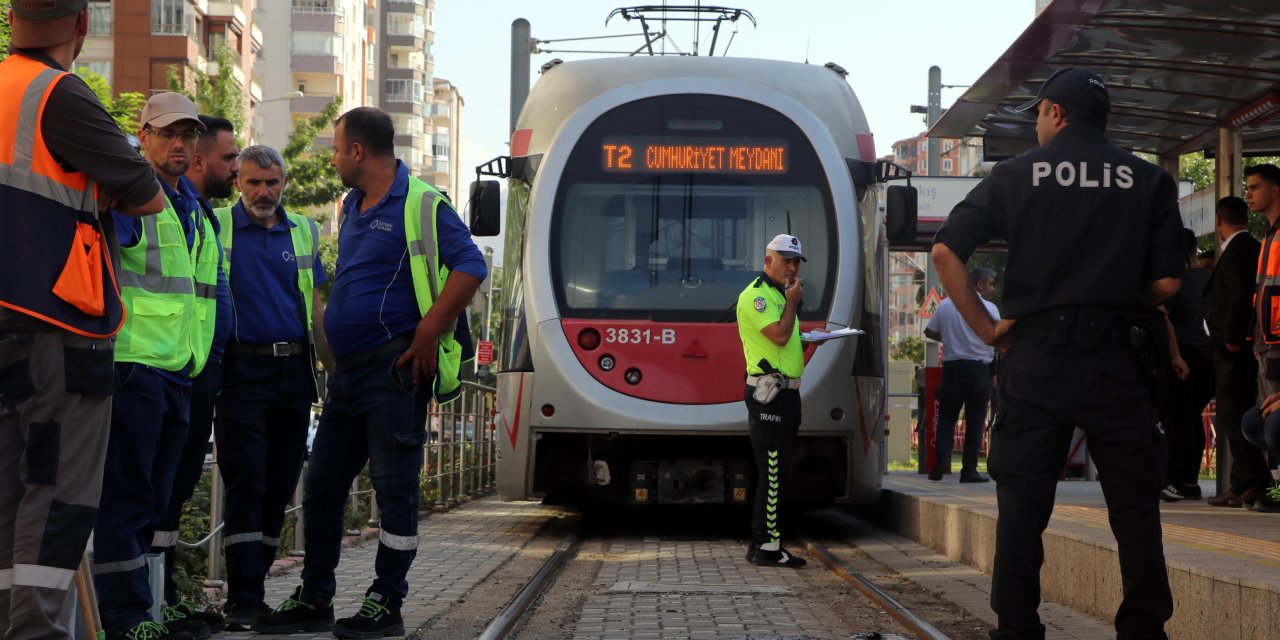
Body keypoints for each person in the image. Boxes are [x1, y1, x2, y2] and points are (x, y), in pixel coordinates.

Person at [931, 67, 1182, 640]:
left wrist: (987, 329)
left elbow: (946, 251)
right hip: (1118, 362)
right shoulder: (1147, 180)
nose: (1038, 125)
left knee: (1022, 504)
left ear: (1056, 113)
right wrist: (1114, 297)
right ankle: (1144, 629)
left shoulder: (1017, 175)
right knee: (1135, 506)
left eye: (1039, 114)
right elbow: (1168, 284)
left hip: (1037, 360)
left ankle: (1017, 627)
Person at [253, 107, 485, 637]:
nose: (333, 160)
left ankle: (386, 603)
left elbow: (471, 264)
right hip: (349, 376)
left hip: (393, 369)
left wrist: (428, 331)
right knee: (323, 486)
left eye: (335, 150)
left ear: (357, 151)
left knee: (394, 487)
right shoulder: (353, 204)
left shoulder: (424, 202)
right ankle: (315, 599)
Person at [0, 2, 166, 637]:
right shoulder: (59, 94)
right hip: (57, 325)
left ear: (12, 19)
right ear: (81, 27)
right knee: (57, 491)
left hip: (10, 327)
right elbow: (147, 195)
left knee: (10, 493)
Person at [93, 92, 220, 640]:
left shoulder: (191, 208)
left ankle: (149, 608)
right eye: (167, 133)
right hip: (133, 365)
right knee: (127, 497)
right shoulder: (130, 199)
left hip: (178, 370)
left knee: (157, 500)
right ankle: (123, 618)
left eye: (187, 134)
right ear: (141, 137)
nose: (179, 143)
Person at [212, 145, 332, 629]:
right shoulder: (216, 226)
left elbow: (317, 307)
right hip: (240, 372)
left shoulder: (303, 229)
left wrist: (332, 367)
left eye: (272, 183)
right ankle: (243, 597)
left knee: (280, 484)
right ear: (238, 181)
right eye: (254, 182)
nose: (264, 192)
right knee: (247, 483)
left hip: (293, 374)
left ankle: (253, 588)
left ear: (285, 183)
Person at [150, 114, 237, 634]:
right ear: (201, 161)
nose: (236, 166)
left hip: (195, 372)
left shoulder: (200, 215)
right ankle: (149, 604)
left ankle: (165, 596)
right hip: (159, 369)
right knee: (152, 491)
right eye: (229, 158)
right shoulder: (157, 206)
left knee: (175, 489)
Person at [737, 234, 812, 568]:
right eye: (786, 261)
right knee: (773, 473)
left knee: (778, 472)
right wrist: (794, 303)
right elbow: (780, 336)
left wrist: (809, 341)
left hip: (786, 394)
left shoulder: (779, 296)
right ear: (768, 262)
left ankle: (766, 544)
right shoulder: (757, 297)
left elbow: (785, 346)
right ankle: (766, 547)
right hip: (770, 396)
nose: (792, 268)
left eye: (796, 262)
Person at [1203, 195, 1268, 507]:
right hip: (1239, 345)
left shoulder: (1238, 250)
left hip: (1232, 348)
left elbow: (1239, 295)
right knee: (1235, 413)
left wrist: (1231, 337)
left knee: (1234, 413)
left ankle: (1250, 482)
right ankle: (1244, 481)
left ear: (1218, 220)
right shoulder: (1253, 246)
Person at [924, 267, 999, 483]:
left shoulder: (946, 305)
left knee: (947, 417)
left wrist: (950, 338)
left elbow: (929, 332)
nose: (992, 288)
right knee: (975, 421)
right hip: (979, 371)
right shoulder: (990, 309)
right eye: (990, 283)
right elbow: (995, 336)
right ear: (979, 285)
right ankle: (969, 470)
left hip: (953, 370)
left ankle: (942, 459)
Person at [1159, 228, 1214, 502]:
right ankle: (1190, 479)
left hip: (1183, 354)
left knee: (1178, 420)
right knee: (1192, 418)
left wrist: (1174, 356)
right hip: (1209, 355)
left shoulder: (1174, 281)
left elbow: (1163, 316)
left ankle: (1182, 481)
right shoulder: (1210, 277)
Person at [1245, 163, 1280, 511]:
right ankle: (1276, 489)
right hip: (1266, 346)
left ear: (1275, 190)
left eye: (1255, 187)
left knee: (1272, 426)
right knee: (1258, 422)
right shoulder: (1268, 236)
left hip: (1277, 343)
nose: (1248, 193)